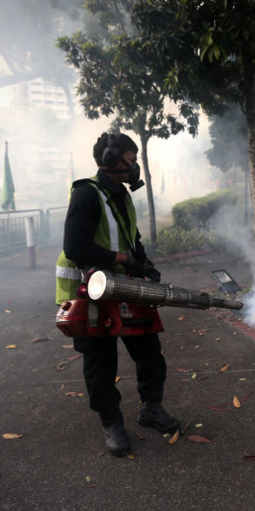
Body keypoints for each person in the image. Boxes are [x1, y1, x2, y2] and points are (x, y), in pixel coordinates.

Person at [55, 132, 180, 457]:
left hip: (125, 289)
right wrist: (122, 260)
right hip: (91, 293)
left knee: (150, 353)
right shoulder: (86, 194)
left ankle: (151, 409)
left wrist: (144, 263)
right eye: (132, 158)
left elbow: (130, 239)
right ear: (112, 159)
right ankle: (111, 422)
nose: (135, 165)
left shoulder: (122, 196)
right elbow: (75, 247)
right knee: (100, 364)